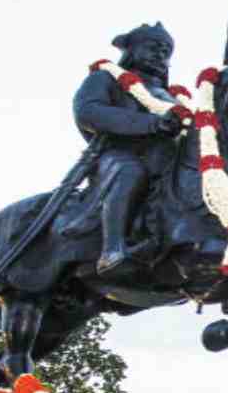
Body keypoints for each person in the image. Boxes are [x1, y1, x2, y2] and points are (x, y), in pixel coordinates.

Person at [73, 22, 183, 278]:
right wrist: (152, 123)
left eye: (166, 50)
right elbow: (89, 112)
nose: (160, 54)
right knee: (128, 171)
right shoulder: (106, 78)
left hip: (168, 159)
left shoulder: (175, 97)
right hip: (121, 154)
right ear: (132, 50)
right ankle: (112, 250)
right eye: (153, 47)